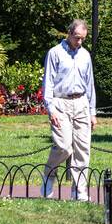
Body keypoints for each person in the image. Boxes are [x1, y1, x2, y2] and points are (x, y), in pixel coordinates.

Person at [41, 19, 97, 200]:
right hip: (60, 103)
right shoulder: (55, 53)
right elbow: (48, 83)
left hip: (81, 103)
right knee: (64, 147)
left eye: (83, 39)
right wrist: (51, 109)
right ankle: (48, 176)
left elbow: (90, 85)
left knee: (82, 150)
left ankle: (79, 190)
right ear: (69, 33)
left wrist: (92, 112)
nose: (79, 42)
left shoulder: (85, 55)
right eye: (77, 38)